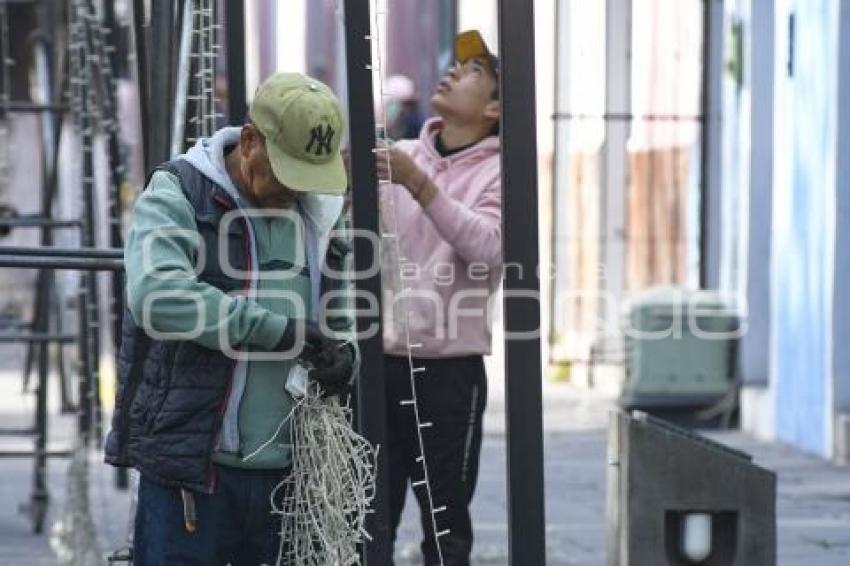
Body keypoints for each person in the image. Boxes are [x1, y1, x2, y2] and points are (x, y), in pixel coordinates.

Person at [105, 73, 357, 565]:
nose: (295, 189)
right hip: (192, 475)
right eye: (286, 171)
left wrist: (345, 354)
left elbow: (341, 308)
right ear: (249, 141)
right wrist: (277, 331)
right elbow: (156, 296)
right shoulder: (180, 190)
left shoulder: (320, 209)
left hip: (289, 480)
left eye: (308, 175)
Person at [376, 30, 502, 565]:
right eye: (455, 65)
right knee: (368, 515)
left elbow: (488, 250)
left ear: (494, 107)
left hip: (450, 372)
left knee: (446, 524)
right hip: (380, 362)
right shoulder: (399, 156)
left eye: (472, 72)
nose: (452, 71)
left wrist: (421, 186)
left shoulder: (502, 172)